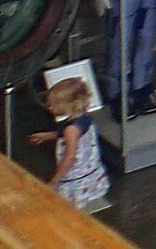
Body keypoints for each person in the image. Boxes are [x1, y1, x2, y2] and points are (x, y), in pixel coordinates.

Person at [35, 77, 110, 211]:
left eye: (52, 105)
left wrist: (54, 181)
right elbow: (68, 135)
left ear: (67, 105)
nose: (50, 108)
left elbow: (69, 157)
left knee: (71, 208)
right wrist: (48, 136)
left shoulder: (71, 130)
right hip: (89, 171)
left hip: (75, 178)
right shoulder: (84, 119)